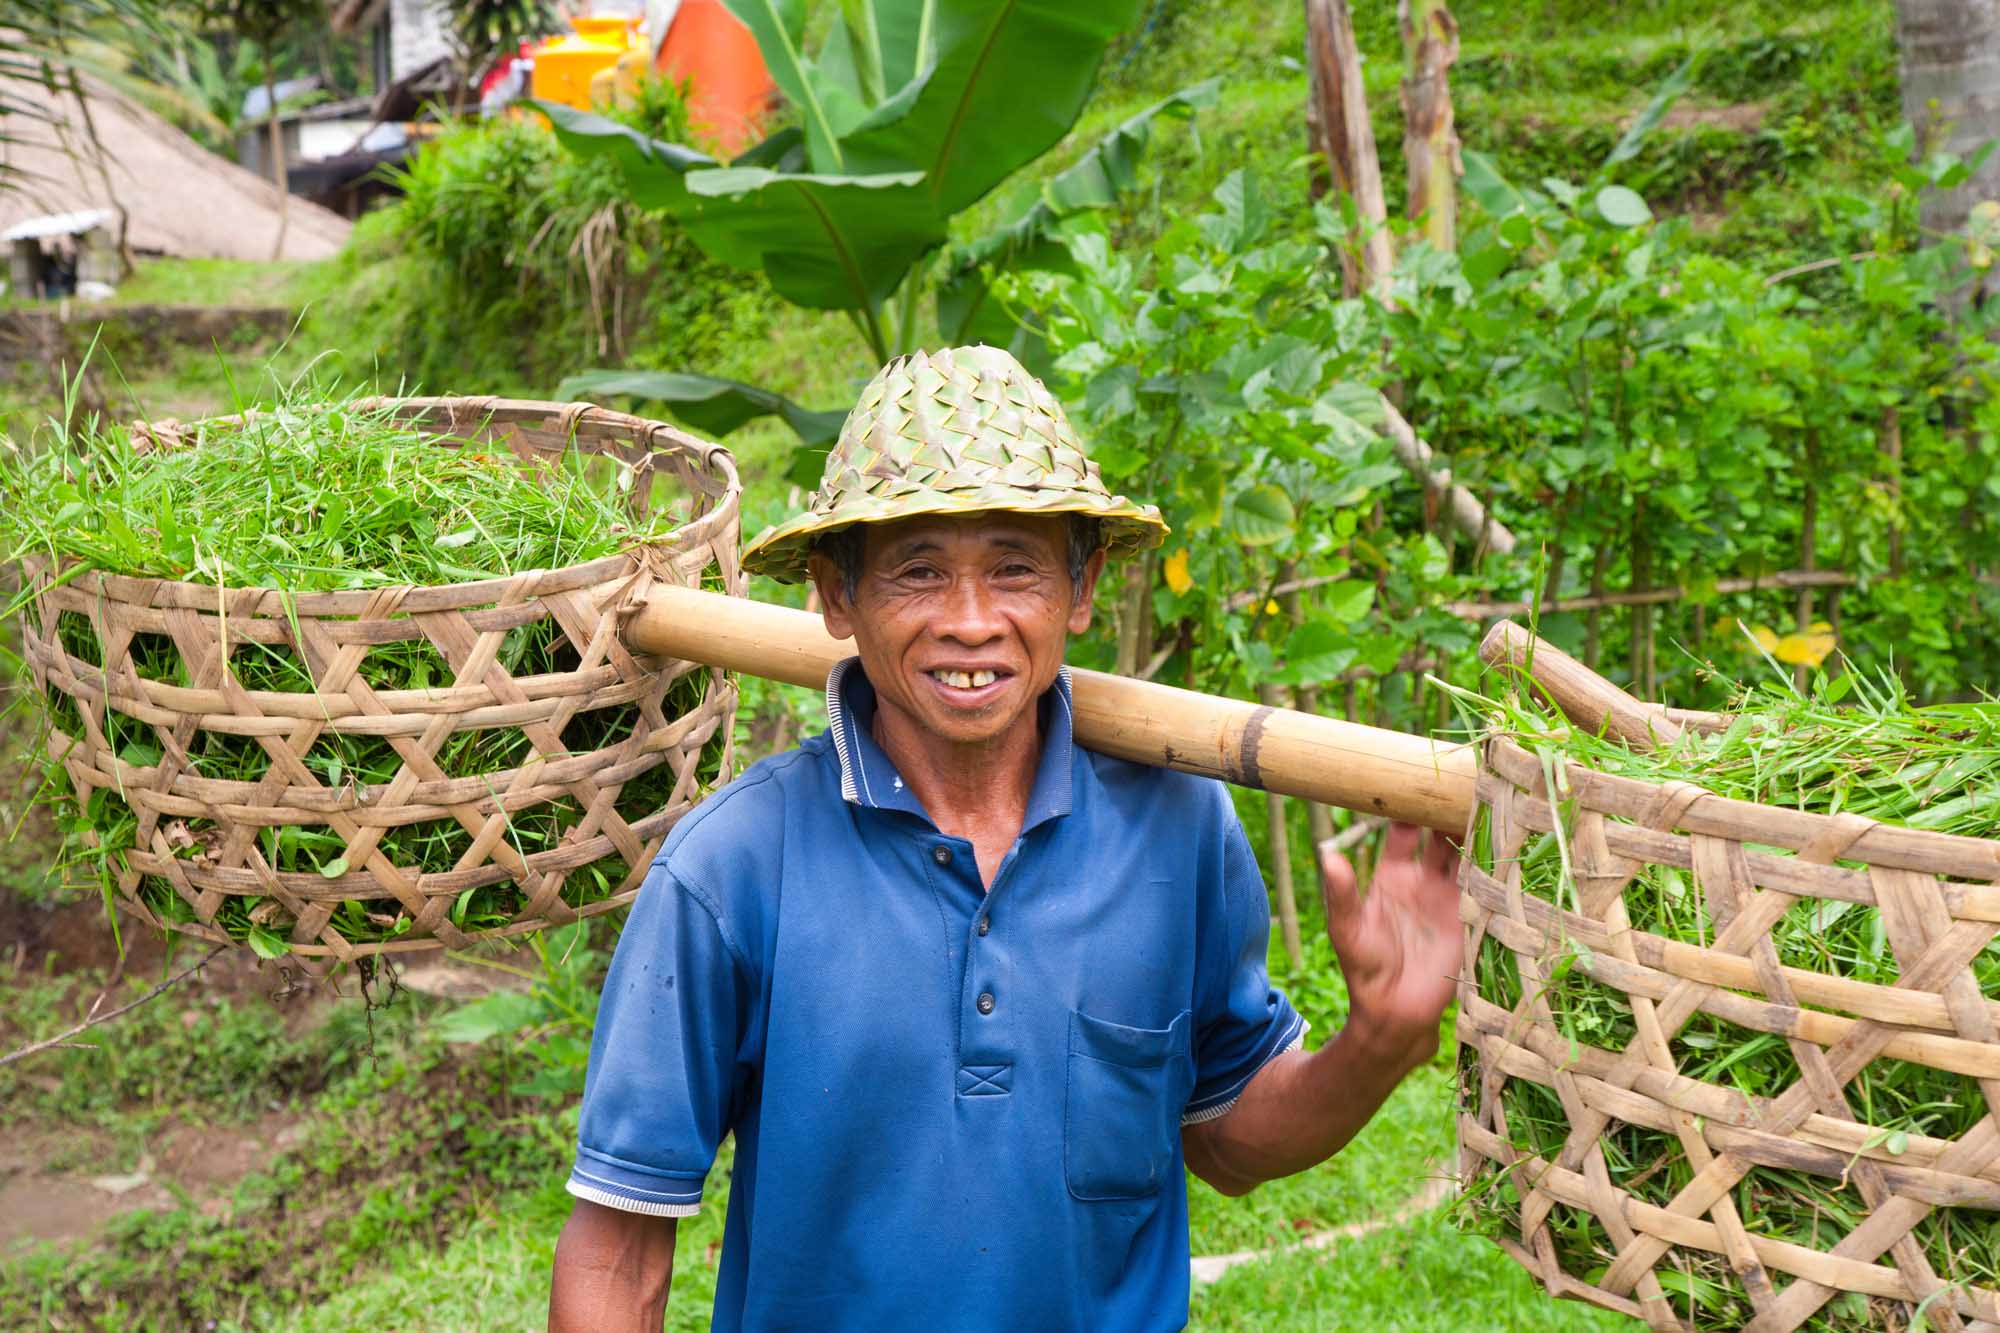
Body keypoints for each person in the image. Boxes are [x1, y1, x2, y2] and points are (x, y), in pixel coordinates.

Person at [548, 345, 1463, 1332]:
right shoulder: (730, 870)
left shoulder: (1177, 828)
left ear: (1081, 587)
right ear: (834, 595)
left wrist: (1373, 1045)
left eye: (1014, 568)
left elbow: (1228, 1137)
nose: (971, 622)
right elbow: (619, 1252)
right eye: (919, 572)